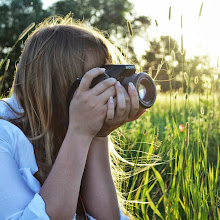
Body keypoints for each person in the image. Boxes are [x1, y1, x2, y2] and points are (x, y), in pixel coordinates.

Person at [0, 15, 145, 220]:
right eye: (98, 79)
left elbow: (107, 217)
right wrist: (81, 132)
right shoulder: (3, 133)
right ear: (61, 85)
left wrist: (98, 134)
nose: (110, 89)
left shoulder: (68, 125)